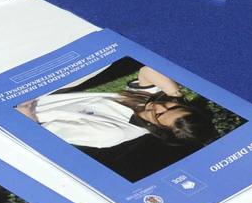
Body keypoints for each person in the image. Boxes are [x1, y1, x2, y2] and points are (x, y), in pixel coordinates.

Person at [16, 63, 215, 150]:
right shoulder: (147, 105)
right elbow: (148, 70)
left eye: (161, 115)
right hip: (43, 92)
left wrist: (25, 113)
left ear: (159, 130)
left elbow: (43, 133)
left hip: (23, 109)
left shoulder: (113, 134)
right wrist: (175, 93)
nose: (160, 107)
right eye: (173, 106)